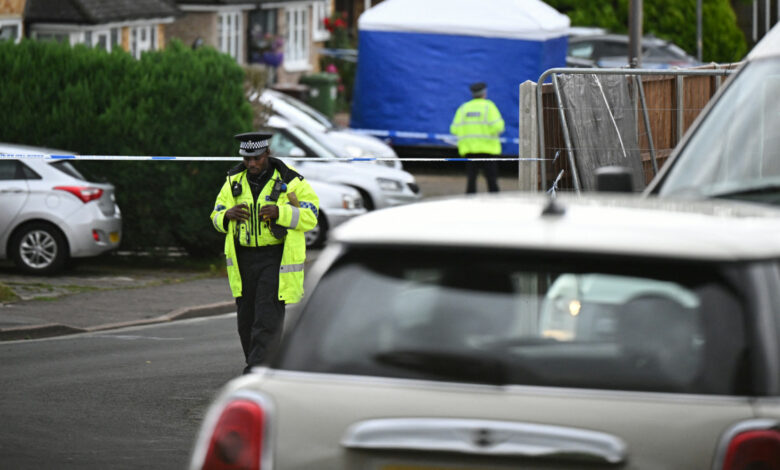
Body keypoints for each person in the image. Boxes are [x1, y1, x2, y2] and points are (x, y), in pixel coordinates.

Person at [210, 132, 319, 374]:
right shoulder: (232, 180)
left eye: (257, 158)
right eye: (247, 158)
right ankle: (261, 363)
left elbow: (311, 216)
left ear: (267, 153)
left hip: (275, 257)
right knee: (246, 319)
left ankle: (257, 369)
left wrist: (279, 213)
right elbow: (215, 216)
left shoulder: (291, 181)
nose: (251, 164)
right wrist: (227, 216)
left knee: (266, 317)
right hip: (243, 259)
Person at [450, 82, 505, 193]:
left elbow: (454, 129)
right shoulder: (489, 106)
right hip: (488, 150)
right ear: (484, 93)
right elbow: (499, 127)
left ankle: (469, 205)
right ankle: (496, 205)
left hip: (470, 150)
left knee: (471, 181)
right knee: (492, 182)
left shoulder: (464, 108)